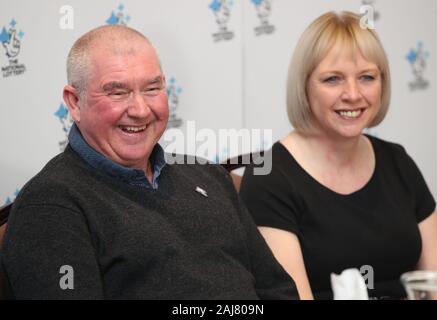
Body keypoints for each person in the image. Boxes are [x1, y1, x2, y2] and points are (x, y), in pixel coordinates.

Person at [1, 25, 298, 299]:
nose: (141, 110)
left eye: (152, 89)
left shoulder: (207, 175)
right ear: (74, 102)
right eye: (118, 92)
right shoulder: (51, 206)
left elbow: (277, 289)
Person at [240, 11, 437, 300]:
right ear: (304, 86)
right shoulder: (268, 176)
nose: (353, 94)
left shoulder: (398, 161)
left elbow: (432, 283)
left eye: (367, 77)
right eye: (333, 79)